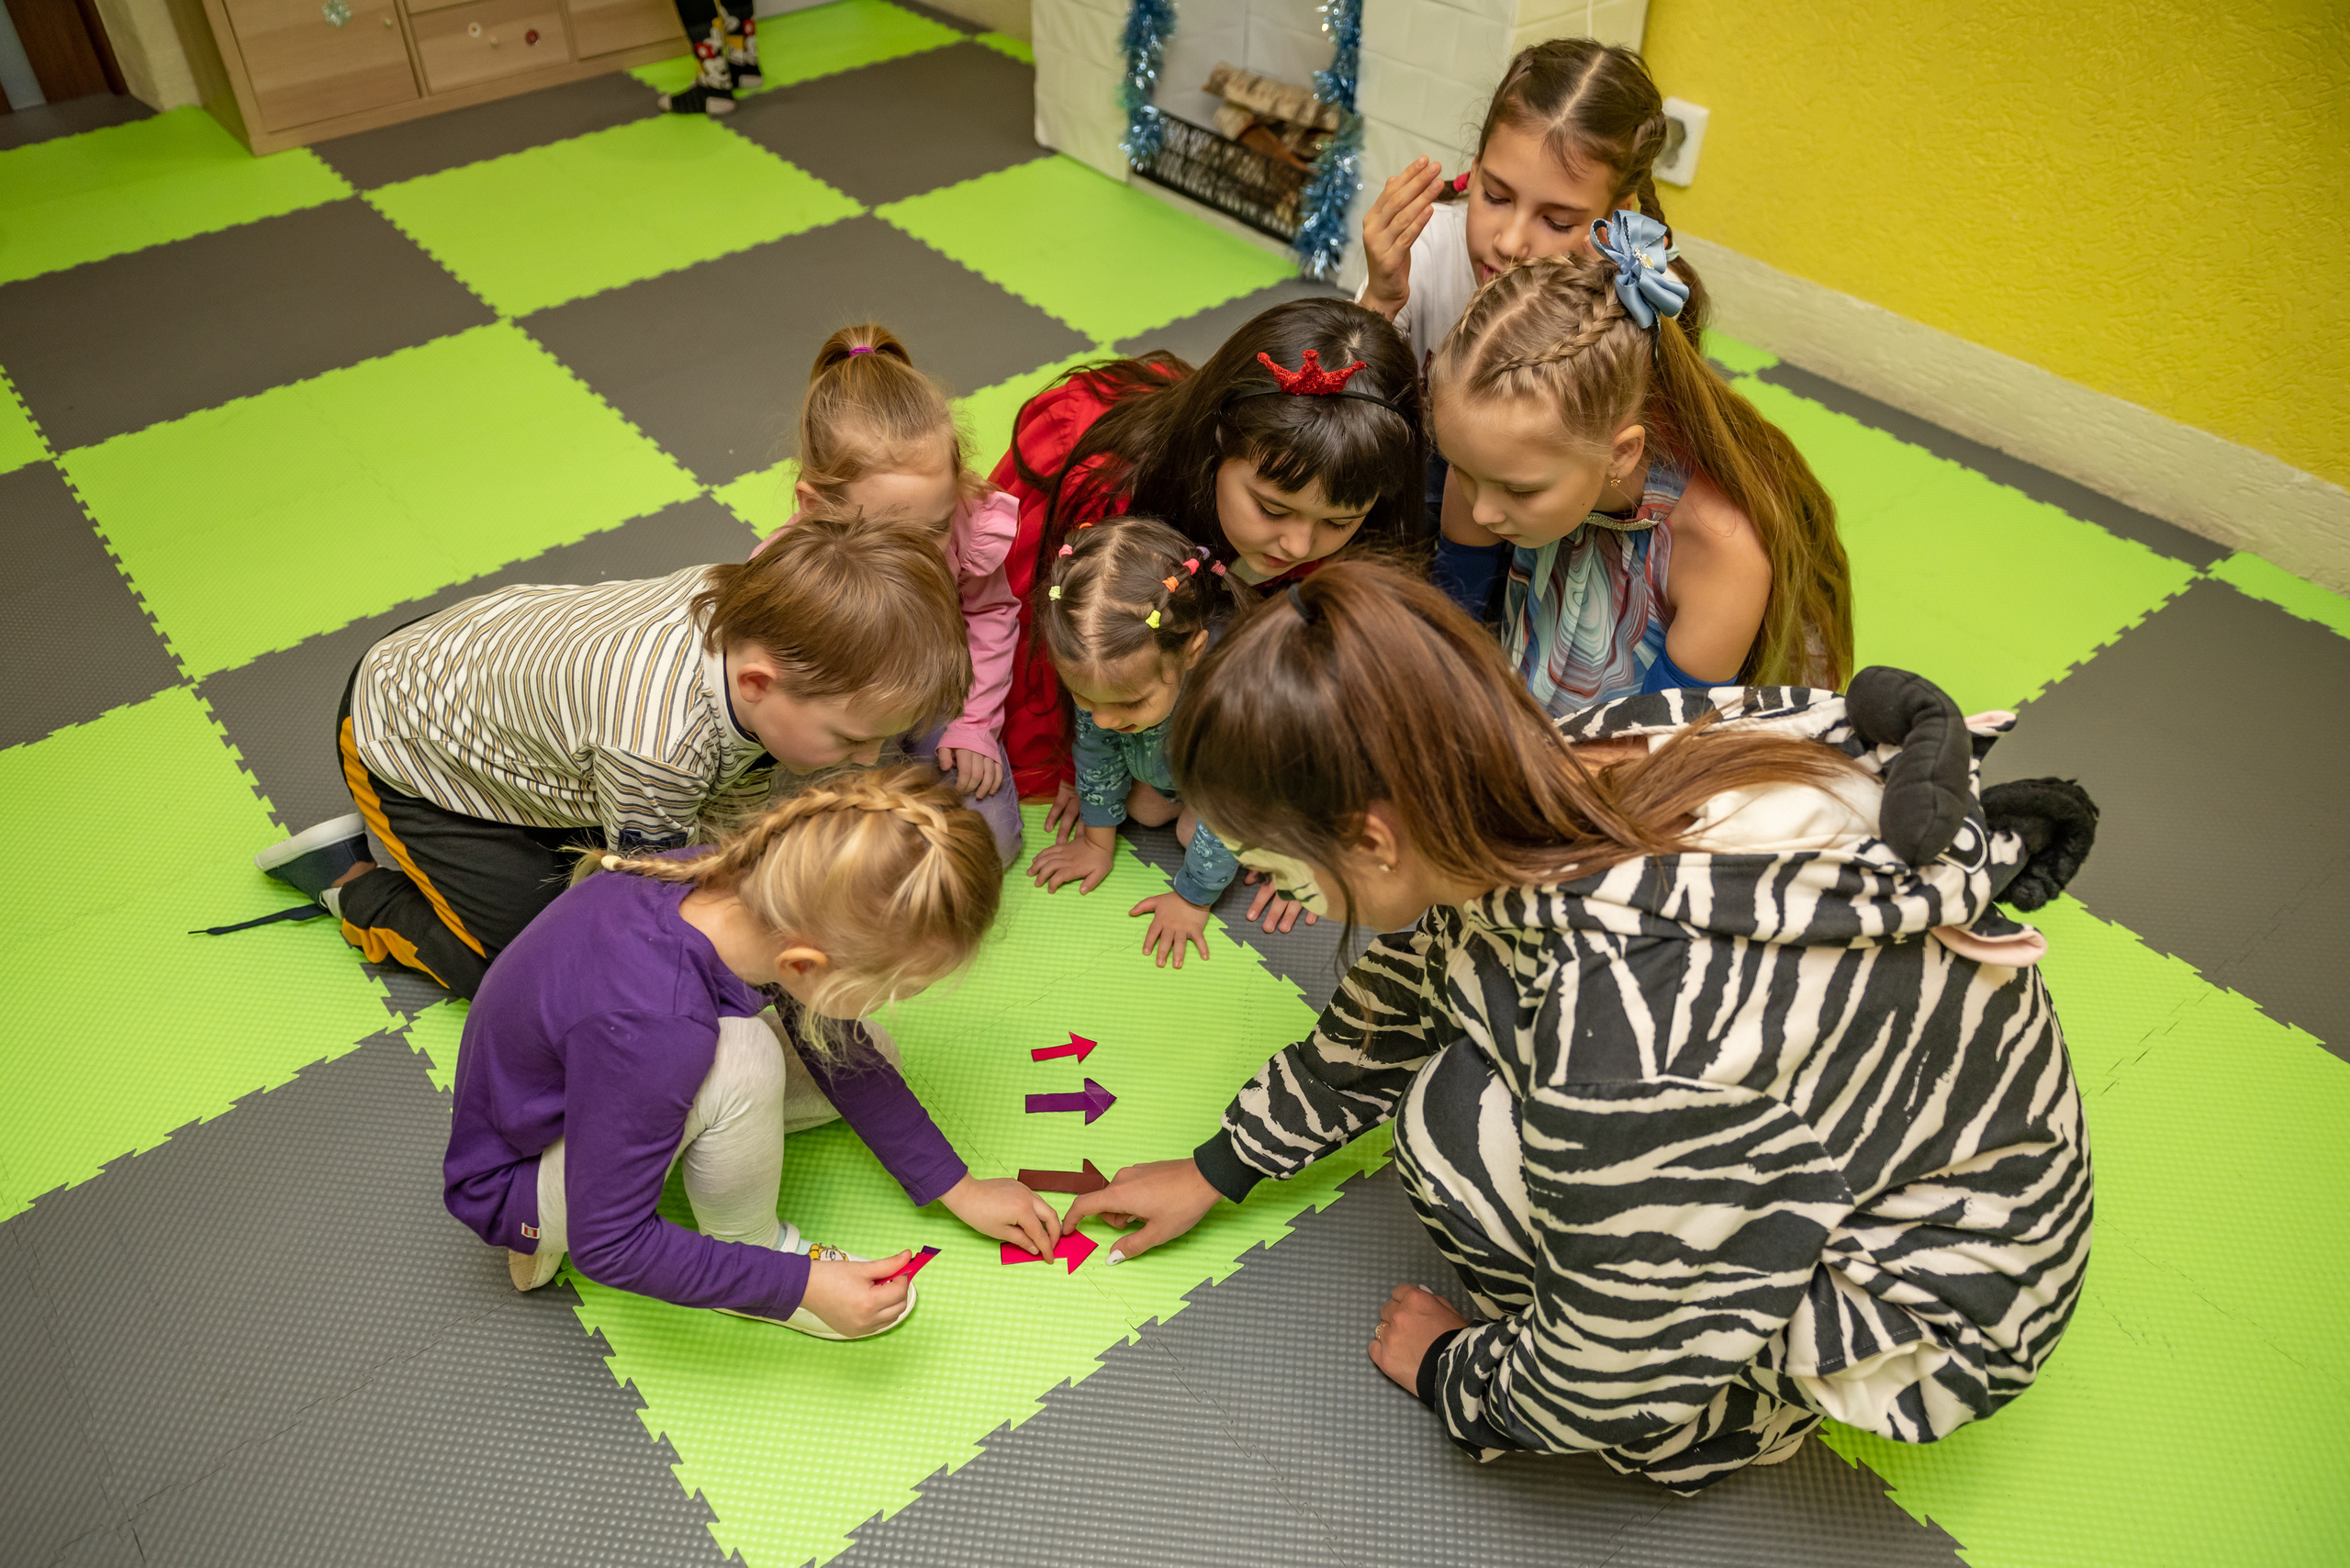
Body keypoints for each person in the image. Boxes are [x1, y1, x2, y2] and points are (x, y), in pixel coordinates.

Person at [1064, 562, 2098, 1492]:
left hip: (1934, 1295)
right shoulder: (1568, 758)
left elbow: (1613, 1359)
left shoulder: (1622, 1047)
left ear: (1370, 837)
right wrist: (1224, 1163)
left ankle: (1730, 1430)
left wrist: (1456, 1379)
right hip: (1929, 1135)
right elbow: (1418, 981)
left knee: (1449, 1131)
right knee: (1479, 1050)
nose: (1291, 899)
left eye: (1286, 875)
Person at [246, 508, 968, 1000]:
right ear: (757, 683)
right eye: (849, 740)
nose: (869, 758)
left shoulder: (756, 600)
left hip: (495, 680)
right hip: (412, 738)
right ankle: (351, 882)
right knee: (516, 968)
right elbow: (653, 893)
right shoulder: (657, 745)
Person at [446, 767, 1063, 1339]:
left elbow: (839, 1045)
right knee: (744, 1059)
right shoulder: (658, 1026)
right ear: (803, 964)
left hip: (601, 1081)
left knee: (868, 1053)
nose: (894, 1001)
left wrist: (958, 1187)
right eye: (897, 989)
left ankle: (656, 1173)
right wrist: (799, 1285)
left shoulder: (747, 885)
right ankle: (750, 1253)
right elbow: (610, 1246)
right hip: (515, 1179)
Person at [991, 297, 1426, 819]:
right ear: (1215, 446)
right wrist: (1078, 759)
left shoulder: (1345, 499)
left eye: (1338, 522)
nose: (1298, 547)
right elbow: (1067, 635)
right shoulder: (1109, 486)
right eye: (1271, 509)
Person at [1354, 38, 1711, 615]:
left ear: (1619, 216)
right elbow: (1343, 431)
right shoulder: (1425, 253)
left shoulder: (1638, 289)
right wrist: (1381, 300)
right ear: (1473, 174)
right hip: (1425, 506)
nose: (1511, 241)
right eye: (1495, 196)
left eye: (1556, 219)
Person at [1429, 240, 1852, 711]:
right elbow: (1445, 635)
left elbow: (1651, 741)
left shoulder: (1719, 549)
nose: (1482, 509)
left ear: (1622, 454)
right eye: (1463, 472)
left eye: (1520, 491)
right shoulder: (1488, 457)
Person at [754, 323, 1024, 865]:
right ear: (816, 508)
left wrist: (974, 723)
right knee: (834, 859)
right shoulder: (785, 569)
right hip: (845, 714)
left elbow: (991, 613)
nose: (921, 554)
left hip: (934, 699)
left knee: (990, 844)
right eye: (892, 534)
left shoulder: (968, 526)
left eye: (936, 527)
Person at [1024, 518, 1263, 969]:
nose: (1103, 717)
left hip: (1259, 781)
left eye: (1129, 704)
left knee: (1196, 833)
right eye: (1083, 697)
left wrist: (1194, 900)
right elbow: (1095, 750)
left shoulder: (1229, 710)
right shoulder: (1108, 679)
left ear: (1192, 654)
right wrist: (1098, 844)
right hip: (1179, 766)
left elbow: (1230, 813)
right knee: (1144, 811)